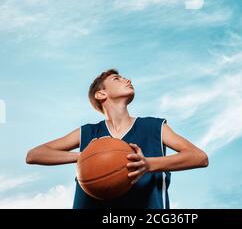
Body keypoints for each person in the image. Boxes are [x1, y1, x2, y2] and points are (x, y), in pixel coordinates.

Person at [26, 69, 209, 209]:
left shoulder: (154, 127)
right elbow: (34, 155)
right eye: (117, 78)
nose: (127, 80)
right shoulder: (88, 132)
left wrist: (148, 164)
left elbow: (199, 157)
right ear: (101, 94)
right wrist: (84, 156)